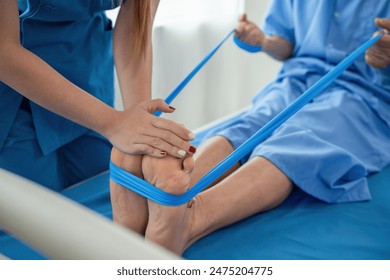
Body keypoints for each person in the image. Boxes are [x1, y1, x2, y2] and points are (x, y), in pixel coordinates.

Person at [110, 0, 390, 255]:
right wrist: (265, 41)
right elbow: (288, 45)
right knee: (247, 126)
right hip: (297, 80)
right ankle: (165, 197)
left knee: (297, 141)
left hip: (364, 95)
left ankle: (192, 219)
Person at [0, 0, 196, 191]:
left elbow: (136, 23)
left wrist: (144, 131)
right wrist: (113, 123)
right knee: (31, 214)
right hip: (13, 94)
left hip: (86, 71)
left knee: (109, 188)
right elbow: (4, 51)